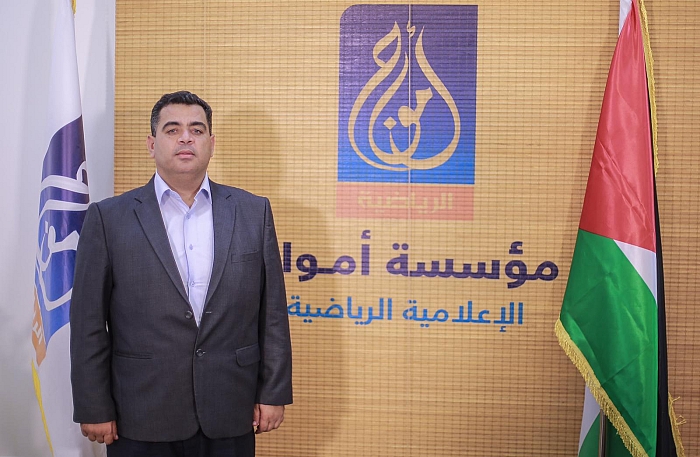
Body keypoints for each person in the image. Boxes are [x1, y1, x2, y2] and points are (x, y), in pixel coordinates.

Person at [70, 91, 293, 456]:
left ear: (211, 143)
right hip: (140, 412)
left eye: (197, 130)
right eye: (172, 129)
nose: (186, 138)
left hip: (230, 408)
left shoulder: (253, 212)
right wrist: (93, 405)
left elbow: (273, 314)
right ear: (151, 144)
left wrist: (273, 392)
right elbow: (88, 323)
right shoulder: (108, 218)